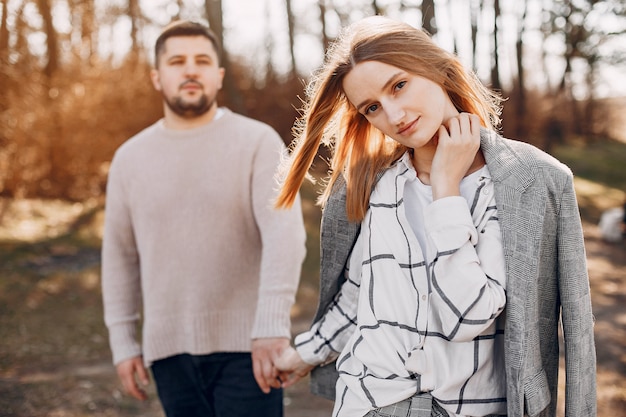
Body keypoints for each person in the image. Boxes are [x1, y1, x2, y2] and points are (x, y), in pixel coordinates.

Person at [274, 16, 596, 417]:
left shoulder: (531, 180)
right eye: (372, 107)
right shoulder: (373, 184)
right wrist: (301, 354)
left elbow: (468, 316)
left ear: (437, 67)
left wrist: (446, 188)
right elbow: (359, 298)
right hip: (367, 403)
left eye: (399, 85)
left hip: (473, 407)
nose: (393, 114)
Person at [101, 20, 306, 417]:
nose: (191, 70)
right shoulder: (130, 158)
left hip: (248, 350)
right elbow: (119, 257)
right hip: (168, 353)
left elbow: (285, 236)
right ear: (158, 77)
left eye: (202, 61)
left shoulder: (258, 141)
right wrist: (123, 342)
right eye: (177, 61)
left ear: (219, 75)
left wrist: (271, 327)